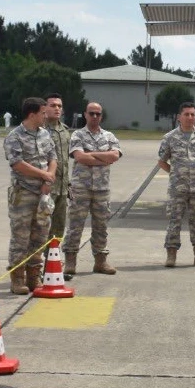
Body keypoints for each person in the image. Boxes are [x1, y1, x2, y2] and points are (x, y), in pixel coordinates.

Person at [64, 101, 123, 276]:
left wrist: (92, 155)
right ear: (85, 114)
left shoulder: (109, 136)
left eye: (98, 114)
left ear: (101, 116)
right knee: (75, 225)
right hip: (81, 187)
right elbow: (80, 157)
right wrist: (103, 159)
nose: (95, 116)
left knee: (101, 226)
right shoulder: (77, 135)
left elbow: (115, 155)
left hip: (102, 189)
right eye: (92, 113)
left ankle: (100, 262)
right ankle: (70, 261)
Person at [4, 96, 55, 294]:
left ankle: (34, 276)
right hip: (23, 194)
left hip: (43, 193)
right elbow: (17, 164)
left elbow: (53, 157)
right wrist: (44, 175)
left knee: (40, 235)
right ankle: (18, 278)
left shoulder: (45, 134)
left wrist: (49, 178)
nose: (46, 116)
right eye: (43, 112)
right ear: (32, 114)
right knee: (21, 237)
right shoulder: (15, 137)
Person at [158, 101, 195, 268]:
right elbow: (162, 161)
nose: (190, 117)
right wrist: (176, 173)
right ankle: (171, 255)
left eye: (192, 114)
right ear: (179, 117)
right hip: (177, 188)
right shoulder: (170, 138)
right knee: (174, 222)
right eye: (186, 114)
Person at [44, 92, 72, 239]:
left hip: (62, 188)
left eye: (59, 106)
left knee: (59, 226)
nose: (57, 109)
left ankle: (52, 258)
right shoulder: (40, 130)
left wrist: (68, 184)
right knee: (42, 226)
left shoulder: (65, 131)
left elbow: (66, 159)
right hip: (46, 187)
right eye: (53, 105)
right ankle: (36, 260)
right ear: (44, 108)